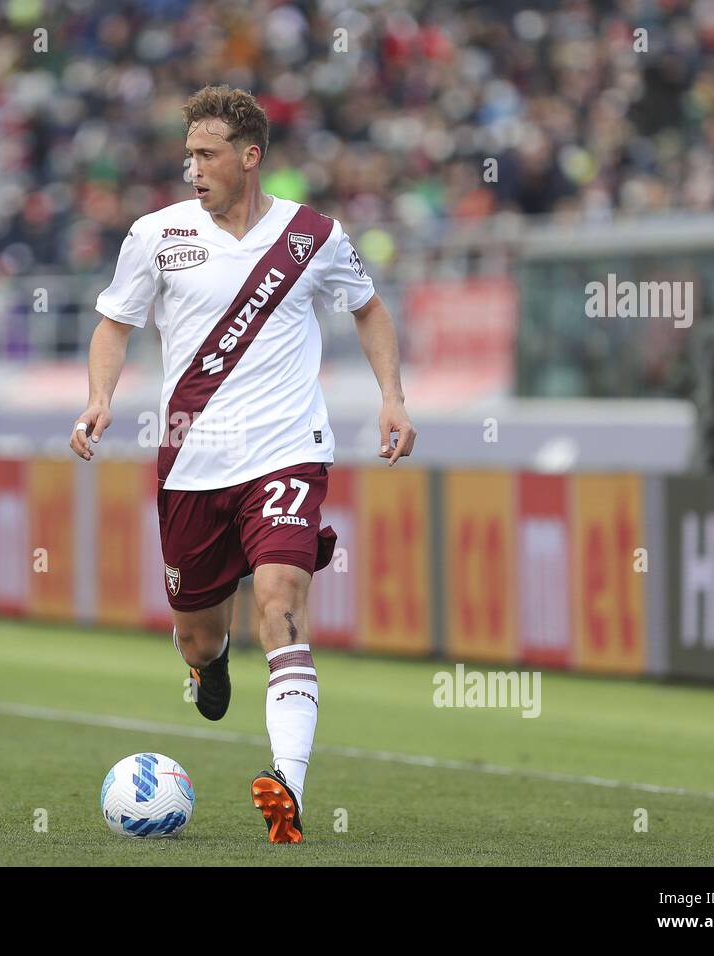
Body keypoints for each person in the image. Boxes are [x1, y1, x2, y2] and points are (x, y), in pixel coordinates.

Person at [69, 85, 415, 844]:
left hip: (288, 451)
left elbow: (370, 307)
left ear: (250, 156)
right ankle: (209, 661)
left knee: (282, 600)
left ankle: (285, 787)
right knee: (200, 632)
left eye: (206, 153)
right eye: (188, 153)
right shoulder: (155, 235)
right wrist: (99, 397)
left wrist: (391, 396)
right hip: (191, 464)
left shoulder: (311, 234)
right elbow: (113, 325)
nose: (191, 167)